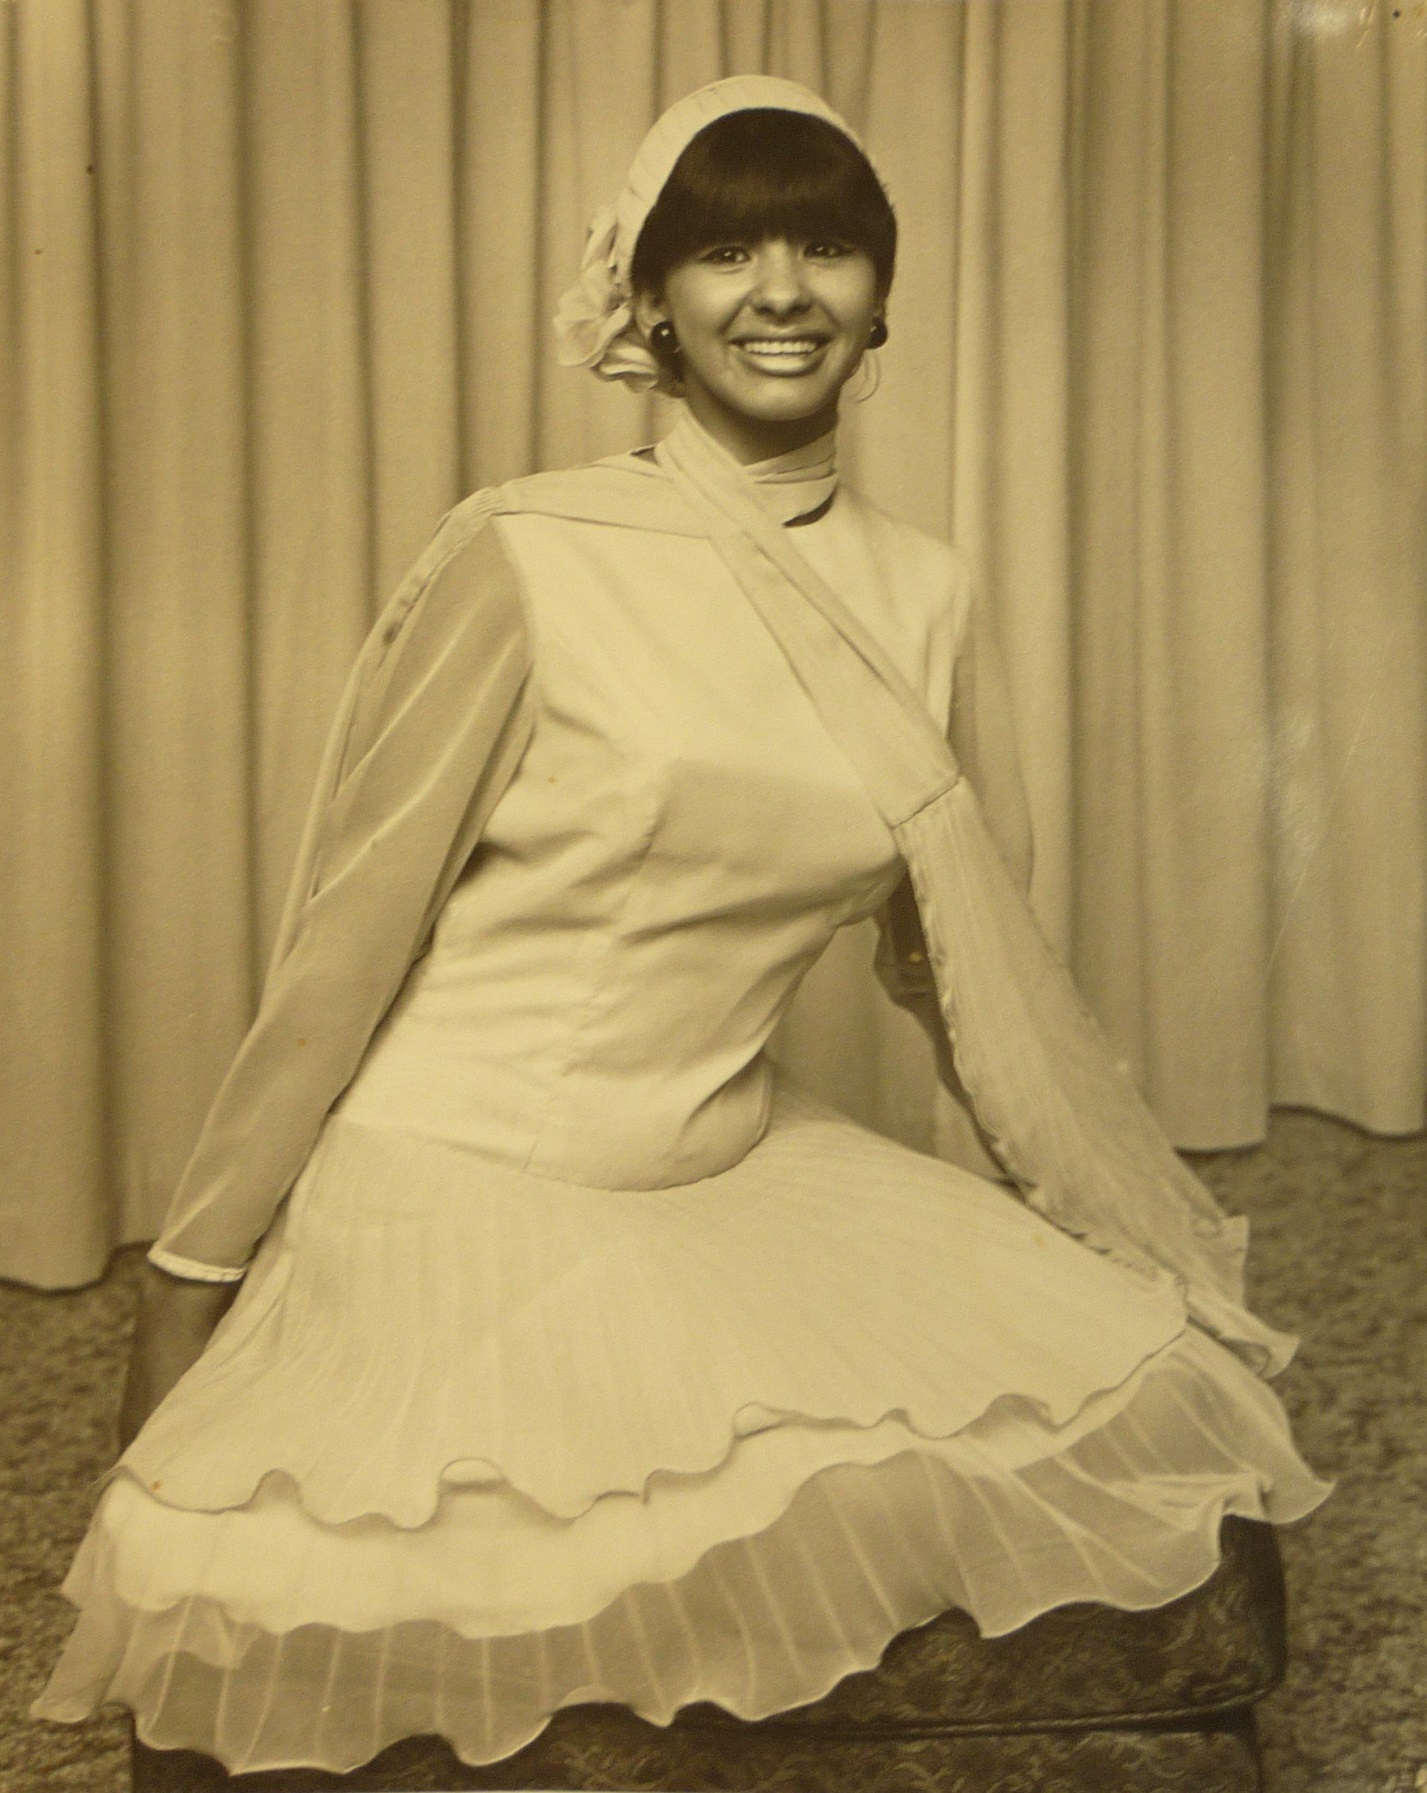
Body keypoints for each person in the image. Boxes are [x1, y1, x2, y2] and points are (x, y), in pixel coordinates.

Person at [34, 76, 1328, 1780]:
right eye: (725, 249)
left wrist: (1083, 1205)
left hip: (725, 1156)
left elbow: (961, 963)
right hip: (465, 1175)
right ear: (647, 302)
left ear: (884, 302)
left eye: (827, 248)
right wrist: (192, 1279)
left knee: (1130, 1397)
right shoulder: (531, 552)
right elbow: (348, 944)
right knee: (408, 1590)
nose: (779, 289)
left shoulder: (927, 590)